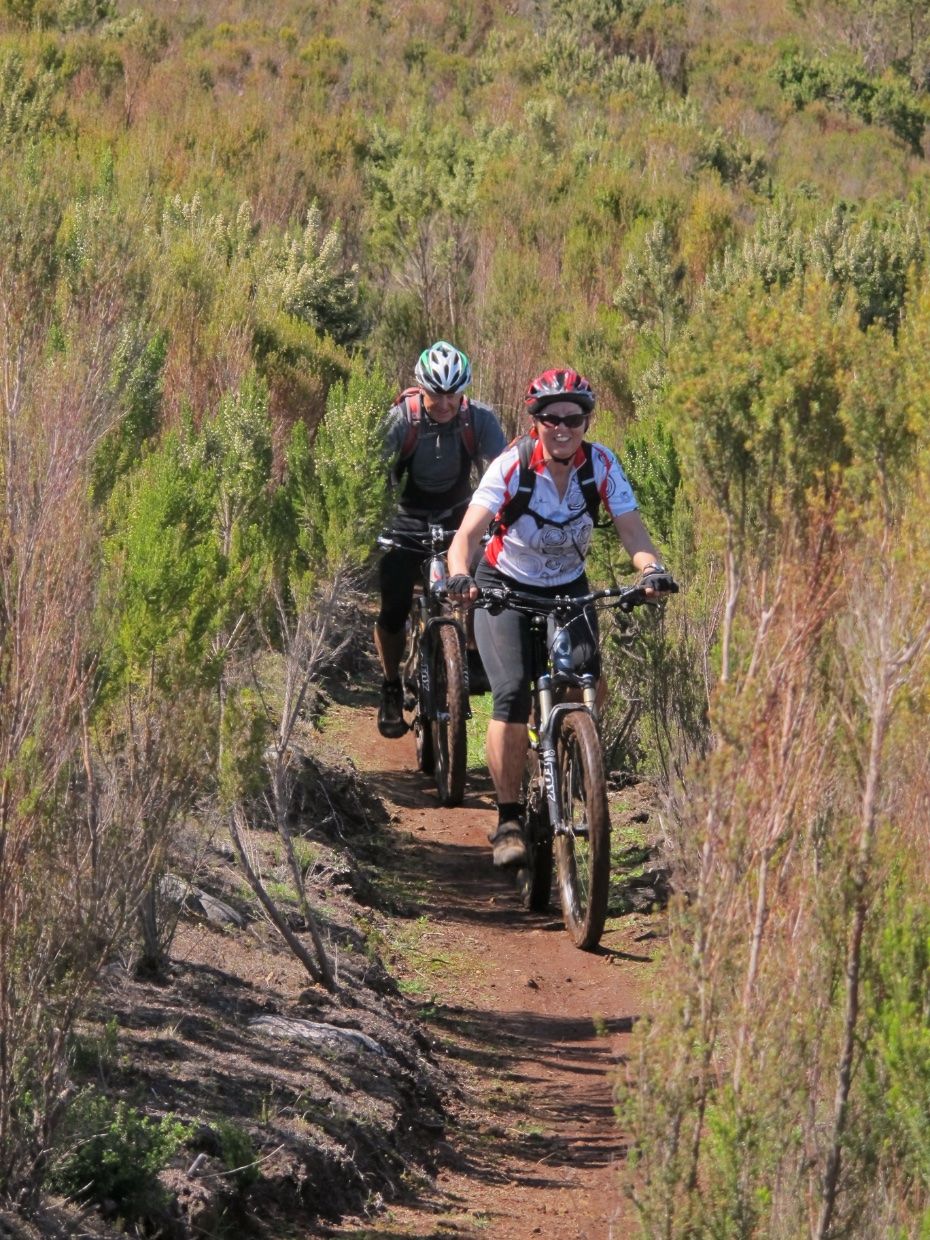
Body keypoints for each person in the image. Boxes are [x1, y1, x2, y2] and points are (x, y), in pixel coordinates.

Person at [446, 367, 675, 867]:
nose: (562, 426)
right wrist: (460, 576)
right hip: (503, 584)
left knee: (586, 679)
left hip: (567, 586)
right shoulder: (511, 466)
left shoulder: (603, 466)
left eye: (574, 417)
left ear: (587, 420)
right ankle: (508, 819)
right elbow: (465, 536)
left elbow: (633, 534)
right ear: (536, 422)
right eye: (551, 417)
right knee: (509, 692)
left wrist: (652, 570)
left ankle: (570, 758)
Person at [375, 340, 506, 738]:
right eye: (436, 393)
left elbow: (501, 475)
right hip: (404, 519)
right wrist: (373, 523)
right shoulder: (401, 421)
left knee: (485, 584)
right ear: (422, 388)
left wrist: (500, 520)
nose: (444, 402)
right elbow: (370, 476)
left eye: (452, 393)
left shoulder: (478, 420)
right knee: (394, 606)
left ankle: (474, 655)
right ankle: (391, 684)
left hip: (458, 517)